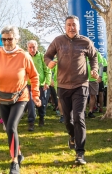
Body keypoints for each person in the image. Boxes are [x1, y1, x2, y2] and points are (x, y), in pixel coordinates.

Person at [0, 25, 40, 174]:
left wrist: (36, 94)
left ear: (17, 39)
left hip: (20, 97)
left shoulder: (24, 56)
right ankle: (19, 153)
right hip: (2, 97)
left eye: (10, 39)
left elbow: (34, 76)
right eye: (4, 39)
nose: (7, 42)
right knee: (10, 130)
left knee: (11, 127)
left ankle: (14, 162)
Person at [45, 15, 98, 165]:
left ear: (78, 26)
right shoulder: (58, 41)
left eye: (74, 25)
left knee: (79, 117)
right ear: (65, 26)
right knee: (67, 119)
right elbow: (47, 56)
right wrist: (49, 62)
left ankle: (80, 153)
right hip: (62, 85)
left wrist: (94, 69)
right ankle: (72, 136)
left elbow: (94, 57)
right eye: (69, 25)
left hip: (81, 84)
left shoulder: (85, 41)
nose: (71, 27)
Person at [26, 40, 51, 130]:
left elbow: (47, 71)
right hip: (29, 85)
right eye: (30, 47)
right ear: (27, 48)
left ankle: (41, 118)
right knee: (31, 103)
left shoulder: (42, 57)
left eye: (34, 47)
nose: (32, 49)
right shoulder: (25, 57)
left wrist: (47, 83)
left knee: (41, 103)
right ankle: (31, 122)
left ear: (37, 47)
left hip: (41, 85)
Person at [86, 50, 105, 118]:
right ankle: (83, 112)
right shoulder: (83, 52)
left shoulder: (97, 54)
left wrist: (100, 76)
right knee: (83, 96)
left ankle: (90, 111)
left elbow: (101, 66)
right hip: (84, 79)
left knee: (93, 95)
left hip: (94, 79)